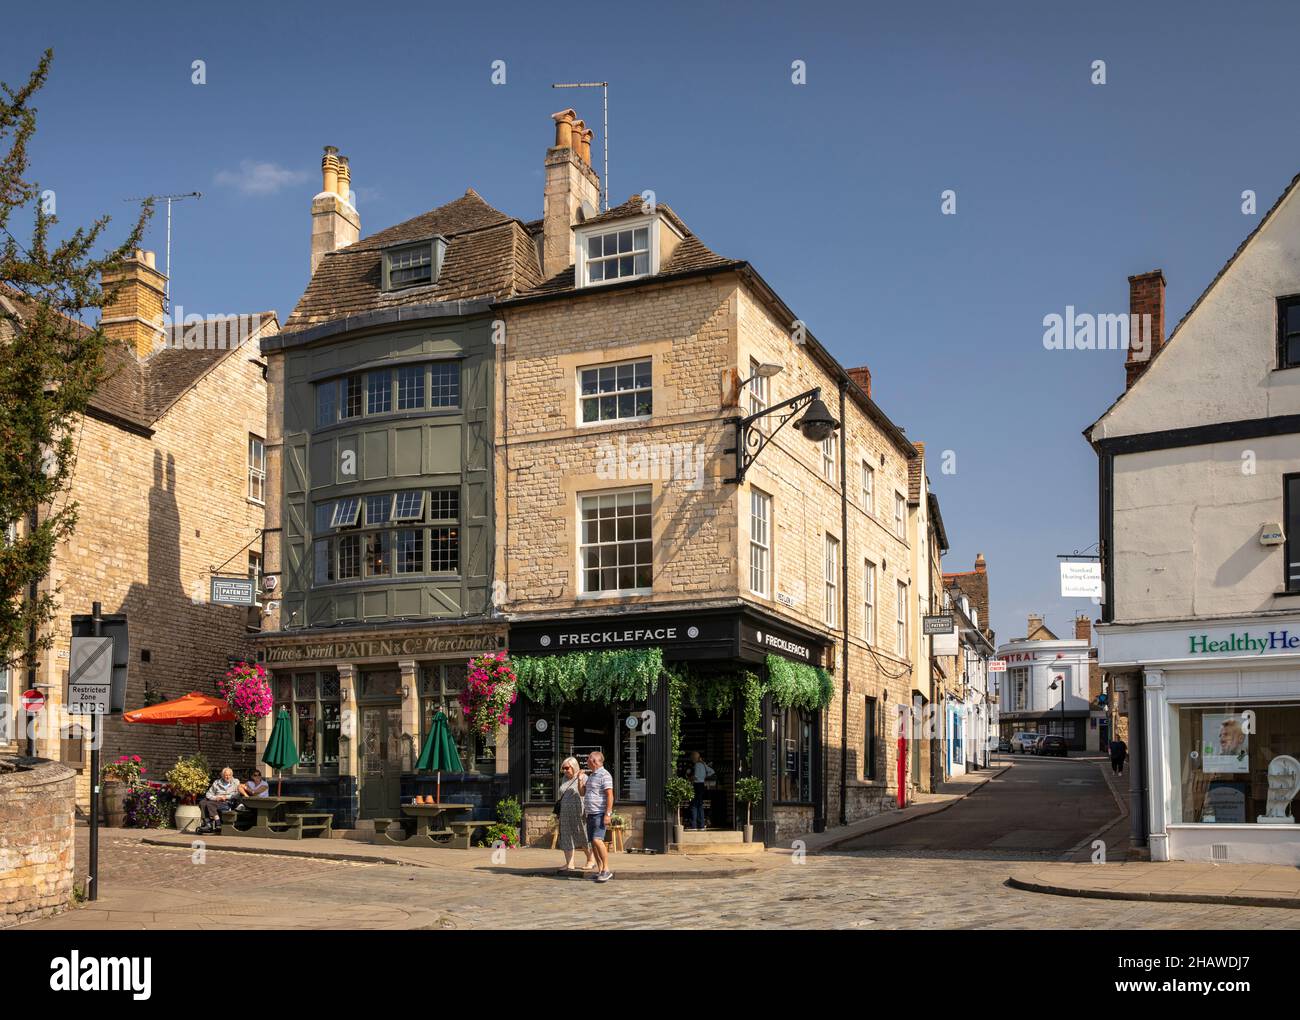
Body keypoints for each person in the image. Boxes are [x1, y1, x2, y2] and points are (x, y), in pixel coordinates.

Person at [582, 750, 614, 883]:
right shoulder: (592, 776)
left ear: (594, 761)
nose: (587, 762)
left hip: (599, 813)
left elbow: (609, 795)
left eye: (588, 759)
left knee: (597, 840)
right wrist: (580, 780)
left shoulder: (604, 775)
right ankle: (600, 870)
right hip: (590, 813)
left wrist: (608, 814)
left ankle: (606, 869)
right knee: (593, 843)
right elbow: (583, 792)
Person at [555, 757, 589, 873]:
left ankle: (590, 859)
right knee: (566, 836)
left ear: (574, 767)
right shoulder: (564, 778)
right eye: (563, 768)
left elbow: (586, 794)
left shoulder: (583, 777)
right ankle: (570, 863)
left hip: (579, 811)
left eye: (566, 768)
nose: (564, 771)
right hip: (565, 812)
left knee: (583, 835)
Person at [197, 768, 240, 834]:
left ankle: (218, 823)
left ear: (232, 775)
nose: (228, 777)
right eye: (226, 775)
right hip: (216, 799)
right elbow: (208, 794)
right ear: (222, 775)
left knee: (210, 804)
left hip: (227, 801)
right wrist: (216, 798)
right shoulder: (217, 782)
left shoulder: (236, 782)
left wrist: (226, 797)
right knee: (202, 802)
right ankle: (207, 823)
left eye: (229, 775)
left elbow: (237, 794)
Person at [688, 751, 715, 831]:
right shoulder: (703, 764)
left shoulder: (696, 765)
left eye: (692, 758)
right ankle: (702, 825)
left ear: (694, 758)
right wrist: (704, 776)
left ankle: (694, 825)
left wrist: (690, 778)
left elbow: (694, 777)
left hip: (696, 785)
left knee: (694, 805)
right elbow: (712, 771)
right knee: (700, 805)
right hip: (702, 785)